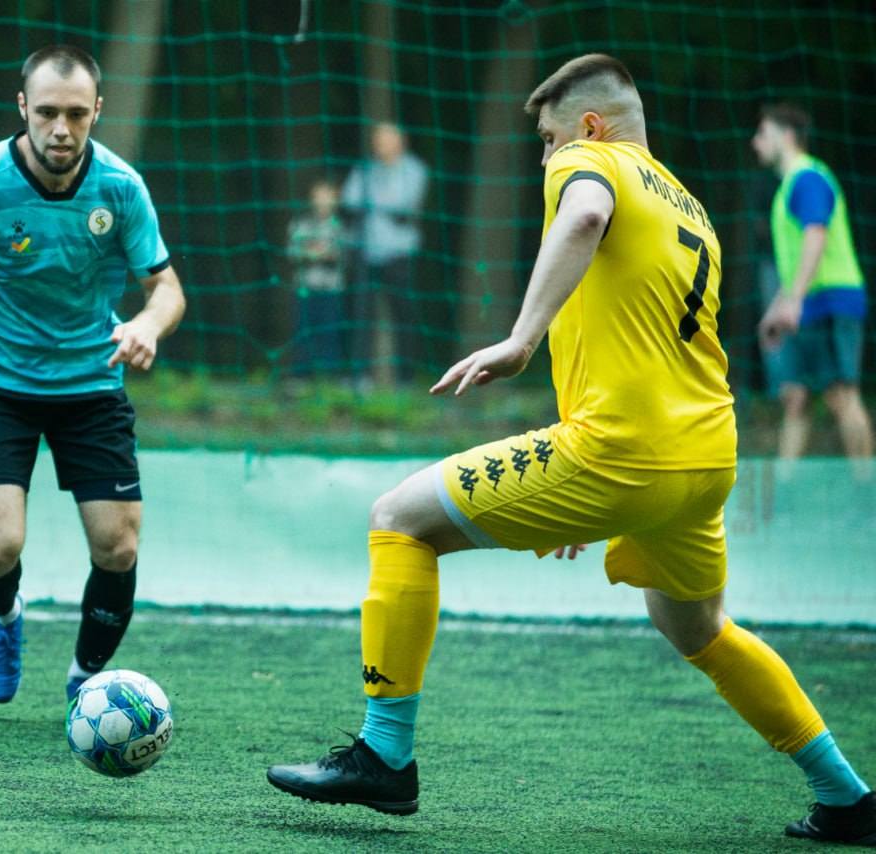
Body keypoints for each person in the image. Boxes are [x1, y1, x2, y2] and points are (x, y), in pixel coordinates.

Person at [267, 54, 874, 846]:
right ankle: (847, 796)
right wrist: (584, 497)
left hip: (622, 453)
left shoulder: (590, 163)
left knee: (398, 520)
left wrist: (521, 340)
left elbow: (583, 216)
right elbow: (636, 342)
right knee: (702, 628)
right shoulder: (689, 207)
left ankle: (383, 757)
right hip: (703, 458)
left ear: (589, 125)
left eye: (547, 139)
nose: (546, 159)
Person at [0, 44, 185, 706]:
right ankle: (4, 616)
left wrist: (147, 325)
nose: (62, 129)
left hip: (91, 384)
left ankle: (87, 683)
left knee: (118, 547)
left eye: (77, 115)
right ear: (23, 107)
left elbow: (166, 287)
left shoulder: (120, 187)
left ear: (97, 112)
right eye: (48, 112)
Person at [752, 104, 872, 478]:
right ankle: (786, 492)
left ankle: (867, 491)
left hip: (832, 299)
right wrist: (778, 308)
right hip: (807, 302)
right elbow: (794, 262)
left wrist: (794, 301)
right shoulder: (789, 186)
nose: (755, 143)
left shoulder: (808, 178)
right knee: (795, 397)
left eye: (763, 134)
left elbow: (816, 235)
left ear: (787, 137)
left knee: (841, 394)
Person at [341, 123, 429, 384]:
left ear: (400, 142)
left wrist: (370, 205)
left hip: (399, 253)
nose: (381, 146)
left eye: (386, 140)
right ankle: (360, 376)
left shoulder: (414, 170)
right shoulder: (364, 169)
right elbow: (348, 202)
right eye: (377, 141)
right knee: (361, 314)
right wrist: (378, 208)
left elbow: (403, 206)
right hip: (364, 250)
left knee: (404, 314)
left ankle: (405, 378)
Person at [286, 179, 347, 377]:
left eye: (327, 197)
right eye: (319, 197)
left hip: (331, 288)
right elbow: (293, 252)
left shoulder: (339, 226)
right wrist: (317, 253)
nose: (323, 202)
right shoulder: (300, 223)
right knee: (303, 331)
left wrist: (316, 252)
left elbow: (341, 254)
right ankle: (301, 376)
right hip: (305, 286)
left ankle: (329, 376)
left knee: (329, 332)